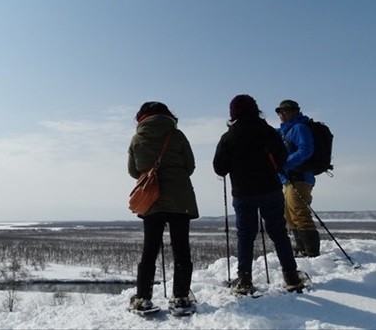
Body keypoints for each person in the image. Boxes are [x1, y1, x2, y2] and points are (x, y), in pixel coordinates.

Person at [213, 94, 306, 295]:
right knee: (279, 233)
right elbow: (282, 159)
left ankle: (245, 280)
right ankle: (291, 276)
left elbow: (219, 168)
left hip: (243, 193)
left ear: (233, 113)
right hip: (270, 190)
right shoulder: (269, 132)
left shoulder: (229, 137)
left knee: (245, 236)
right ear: (256, 110)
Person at [127, 101, 199, 313]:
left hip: (151, 200)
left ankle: (143, 298)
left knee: (150, 249)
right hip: (180, 199)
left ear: (141, 118)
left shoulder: (137, 139)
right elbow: (190, 166)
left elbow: (133, 171)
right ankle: (181, 298)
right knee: (181, 249)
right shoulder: (177, 136)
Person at [275, 99, 320, 257]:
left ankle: (312, 250)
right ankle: (301, 246)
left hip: (300, 177)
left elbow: (306, 150)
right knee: (289, 213)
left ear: (294, 111)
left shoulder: (299, 127)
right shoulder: (284, 131)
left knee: (299, 211)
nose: (281, 114)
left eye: (285, 111)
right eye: (279, 111)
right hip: (288, 179)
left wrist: (285, 165)